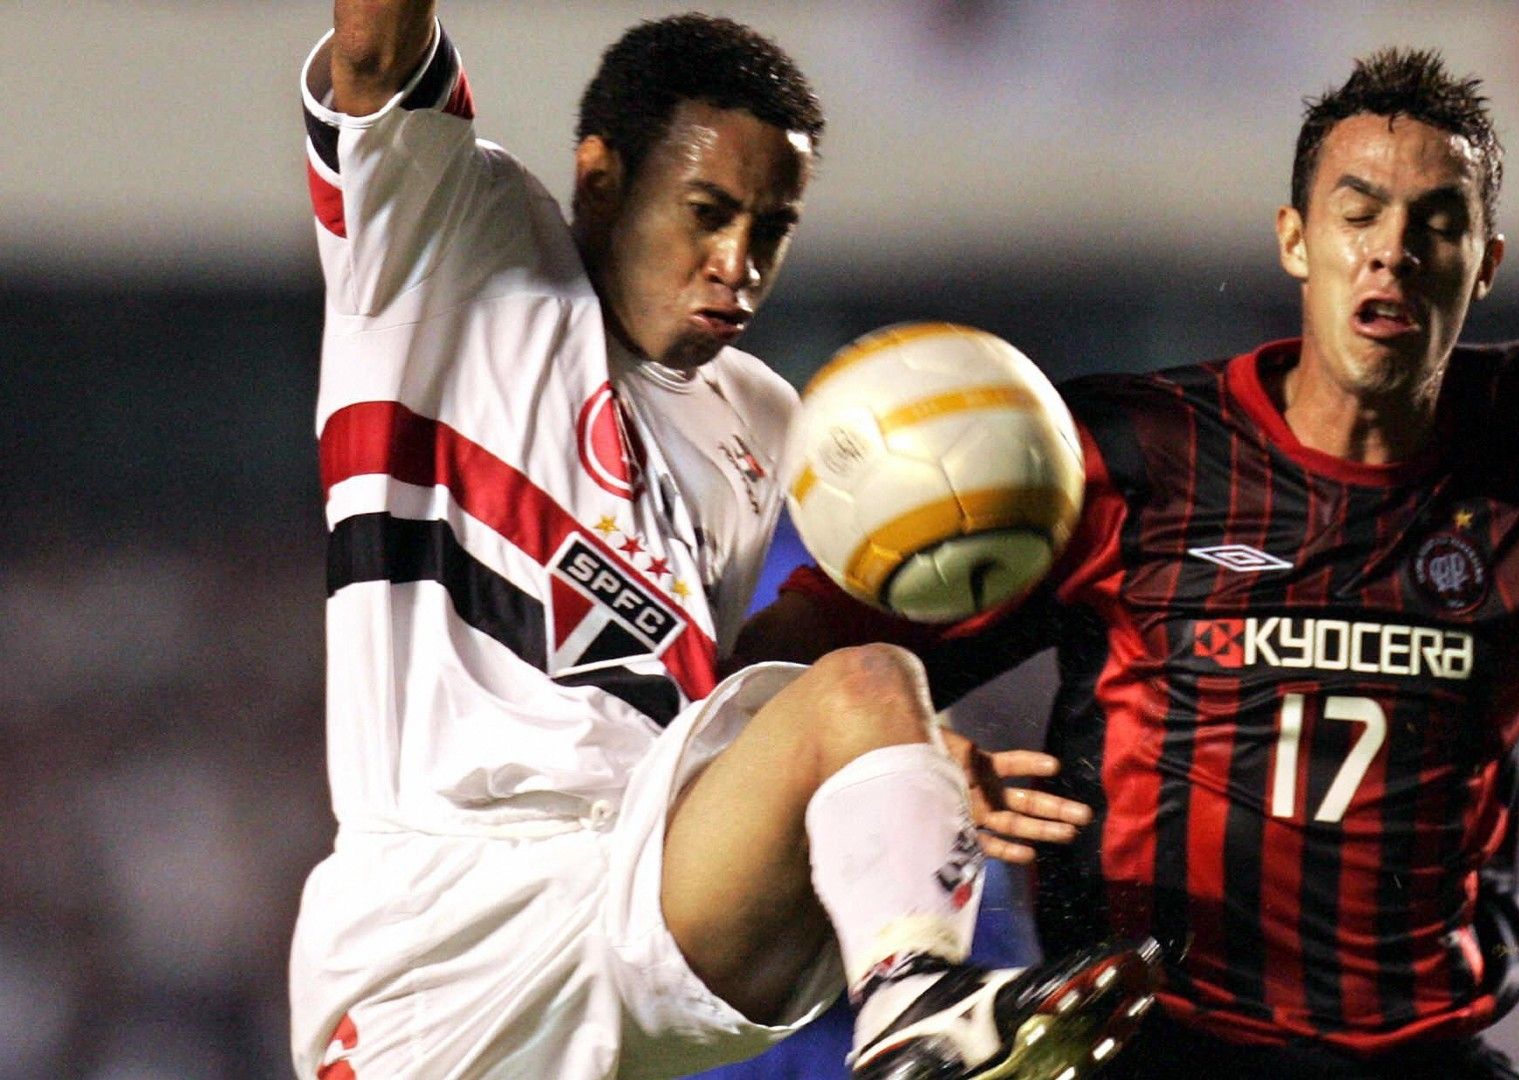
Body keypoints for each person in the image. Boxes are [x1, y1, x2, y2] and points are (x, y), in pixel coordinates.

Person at [736, 47, 1519, 1078]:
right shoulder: (1118, 458)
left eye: (1437, 222)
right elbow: (790, 666)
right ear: (1298, 240)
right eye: (1359, 213)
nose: (1394, 252)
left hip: (1419, 1059)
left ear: (1485, 262)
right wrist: (917, 759)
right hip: (1140, 1040)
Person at [286, 5, 1162, 1078]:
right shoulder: (453, 251)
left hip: (649, 885)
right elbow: (375, 48)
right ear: (600, 175)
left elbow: (738, 694)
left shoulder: (764, 418)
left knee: (869, 686)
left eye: (771, 228)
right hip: (441, 925)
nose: (737, 263)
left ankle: (917, 1008)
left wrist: (892, 771)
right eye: (706, 212)